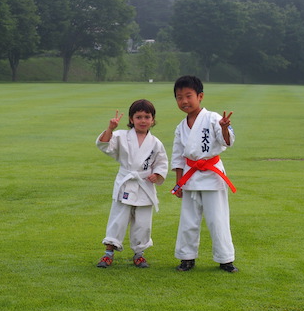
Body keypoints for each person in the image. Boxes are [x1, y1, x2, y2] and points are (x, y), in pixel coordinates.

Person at [170, 75, 238, 273]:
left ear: (200, 96)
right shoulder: (180, 127)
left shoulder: (214, 118)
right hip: (190, 176)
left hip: (211, 175)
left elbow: (227, 142)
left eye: (188, 96)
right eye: (179, 97)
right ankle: (186, 257)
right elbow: (177, 157)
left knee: (217, 219)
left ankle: (225, 259)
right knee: (188, 220)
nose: (183, 101)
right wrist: (178, 183)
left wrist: (225, 128)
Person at [96, 99, 168, 268]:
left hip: (144, 184)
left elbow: (162, 162)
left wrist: (157, 174)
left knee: (143, 223)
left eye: (147, 117)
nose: (143, 120)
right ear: (131, 119)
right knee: (118, 218)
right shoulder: (121, 136)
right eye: (139, 117)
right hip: (126, 182)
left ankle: (139, 254)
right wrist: (110, 129)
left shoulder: (156, 143)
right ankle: (108, 253)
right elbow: (105, 145)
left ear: (153, 119)